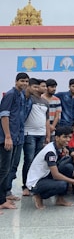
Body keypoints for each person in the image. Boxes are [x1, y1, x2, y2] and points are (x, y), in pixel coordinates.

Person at [26, 126, 74, 209]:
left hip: (45, 175)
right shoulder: (50, 152)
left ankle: (60, 199)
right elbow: (56, 175)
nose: (68, 140)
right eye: (65, 137)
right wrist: (73, 181)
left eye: (69, 137)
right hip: (36, 182)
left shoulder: (56, 146)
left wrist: (64, 148)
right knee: (62, 184)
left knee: (68, 167)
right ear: (57, 138)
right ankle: (38, 195)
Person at [0, 72, 29, 211]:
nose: (24, 84)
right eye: (22, 81)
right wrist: (7, 136)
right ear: (16, 81)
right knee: (3, 169)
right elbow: (4, 116)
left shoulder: (22, 95)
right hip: (8, 138)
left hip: (18, 138)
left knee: (11, 168)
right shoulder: (10, 94)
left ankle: (4, 196)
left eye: (26, 81)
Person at [22, 78, 50, 196]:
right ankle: (25, 185)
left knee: (37, 161)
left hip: (41, 134)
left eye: (44, 86)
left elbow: (47, 120)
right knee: (28, 159)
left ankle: (35, 184)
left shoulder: (45, 102)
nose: (42, 88)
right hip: (29, 134)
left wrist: (47, 135)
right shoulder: (29, 99)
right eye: (40, 86)